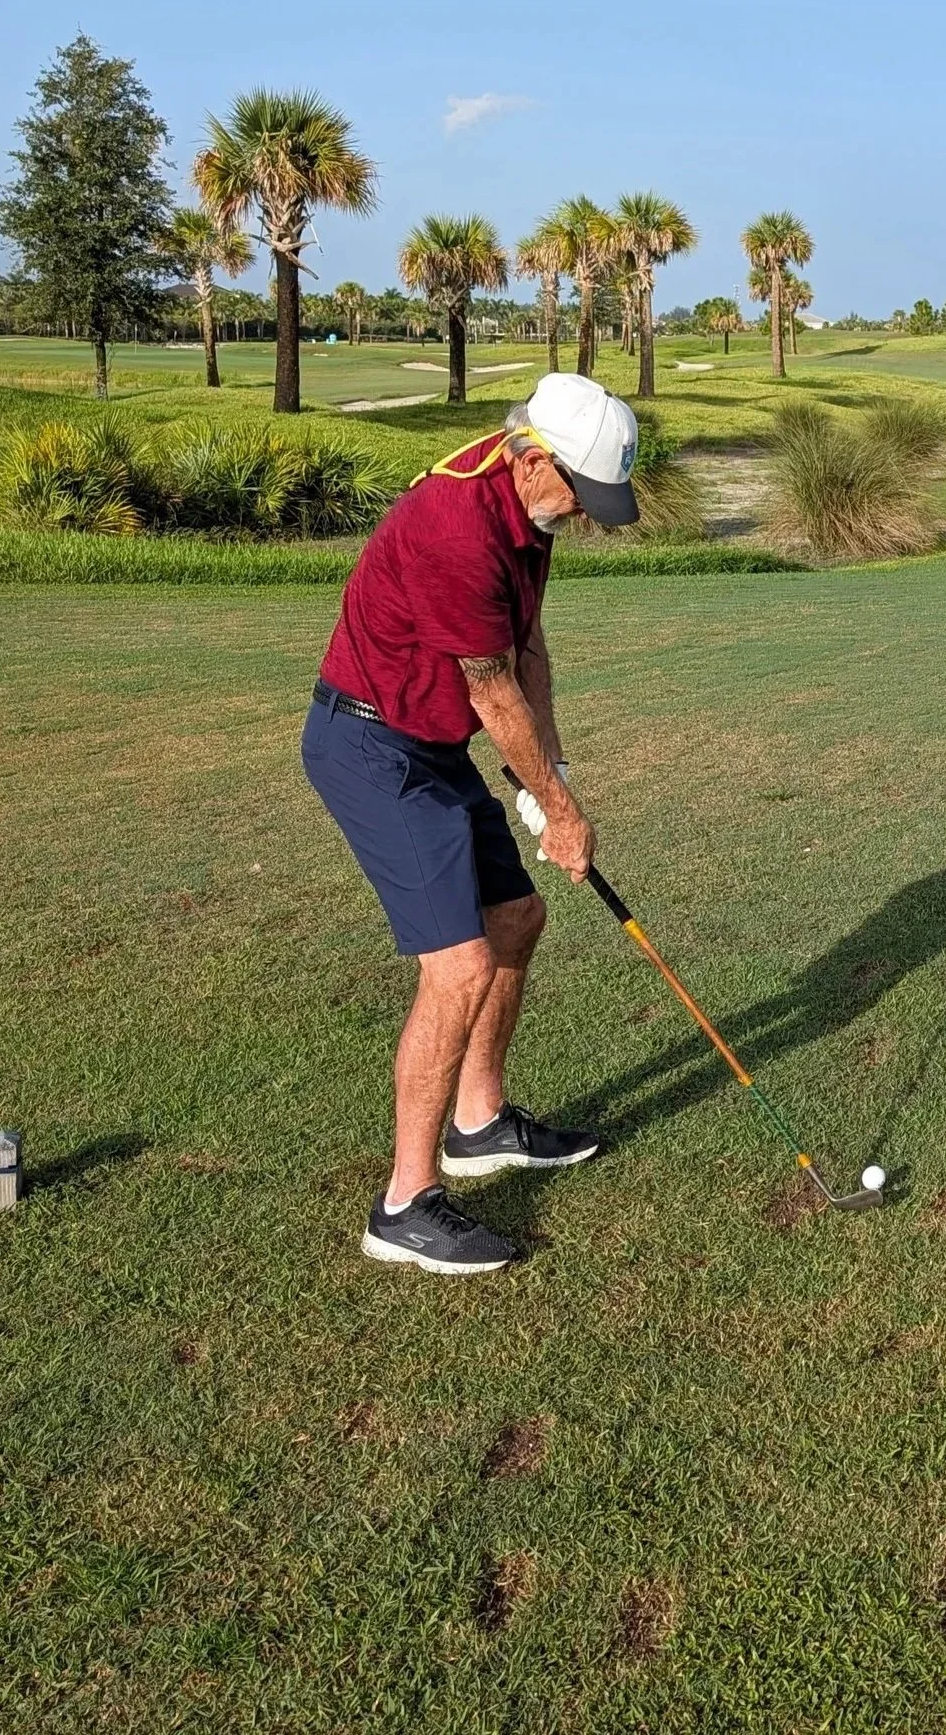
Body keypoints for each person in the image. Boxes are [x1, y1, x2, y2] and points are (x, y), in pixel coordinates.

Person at [302, 371, 641, 1275]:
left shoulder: (526, 511)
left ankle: (479, 1123)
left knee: (515, 919)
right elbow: (488, 690)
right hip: (374, 749)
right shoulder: (458, 529)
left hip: (431, 745)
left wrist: (550, 775)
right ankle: (404, 1205)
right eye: (578, 490)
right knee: (456, 969)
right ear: (534, 458)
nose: (581, 512)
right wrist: (561, 815)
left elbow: (525, 646)